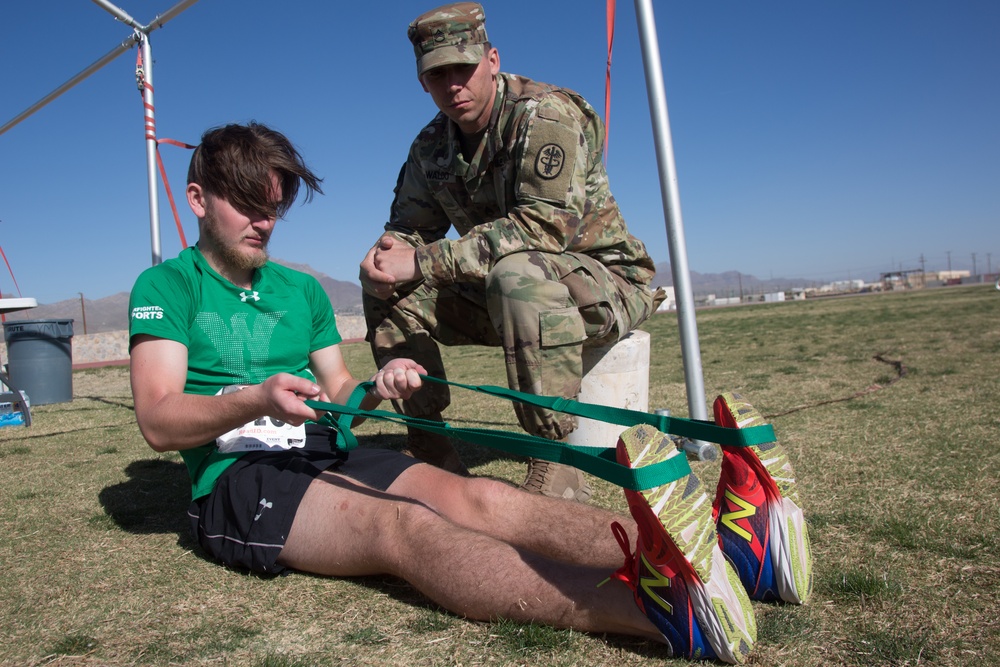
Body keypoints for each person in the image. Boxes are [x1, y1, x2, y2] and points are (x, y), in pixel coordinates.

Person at [127, 121, 782, 664]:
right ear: (197, 199)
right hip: (241, 474)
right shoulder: (165, 289)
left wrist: (378, 388)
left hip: (328, 450)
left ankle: (730, 558)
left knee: (484, 496)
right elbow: (159, 420)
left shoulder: (300, 290)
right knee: (404, 526)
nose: (264, 223)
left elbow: (340, 393)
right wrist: (255, 398)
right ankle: (655, 608)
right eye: (247, 204)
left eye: (273, 207)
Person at [359, 2, 664, 501]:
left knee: (516, 274)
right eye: (438, 74)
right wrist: (384, 258)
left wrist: (423, 259)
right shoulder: (432, 147)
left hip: (602, 282)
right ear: (423, 83)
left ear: (493, 60)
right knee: (391, 286)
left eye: (464, 66)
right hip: (505, 290)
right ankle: (432, 447)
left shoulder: (547, 114)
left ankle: (557, 460)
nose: (453, 83)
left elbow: (544, 228)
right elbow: (408, 231)